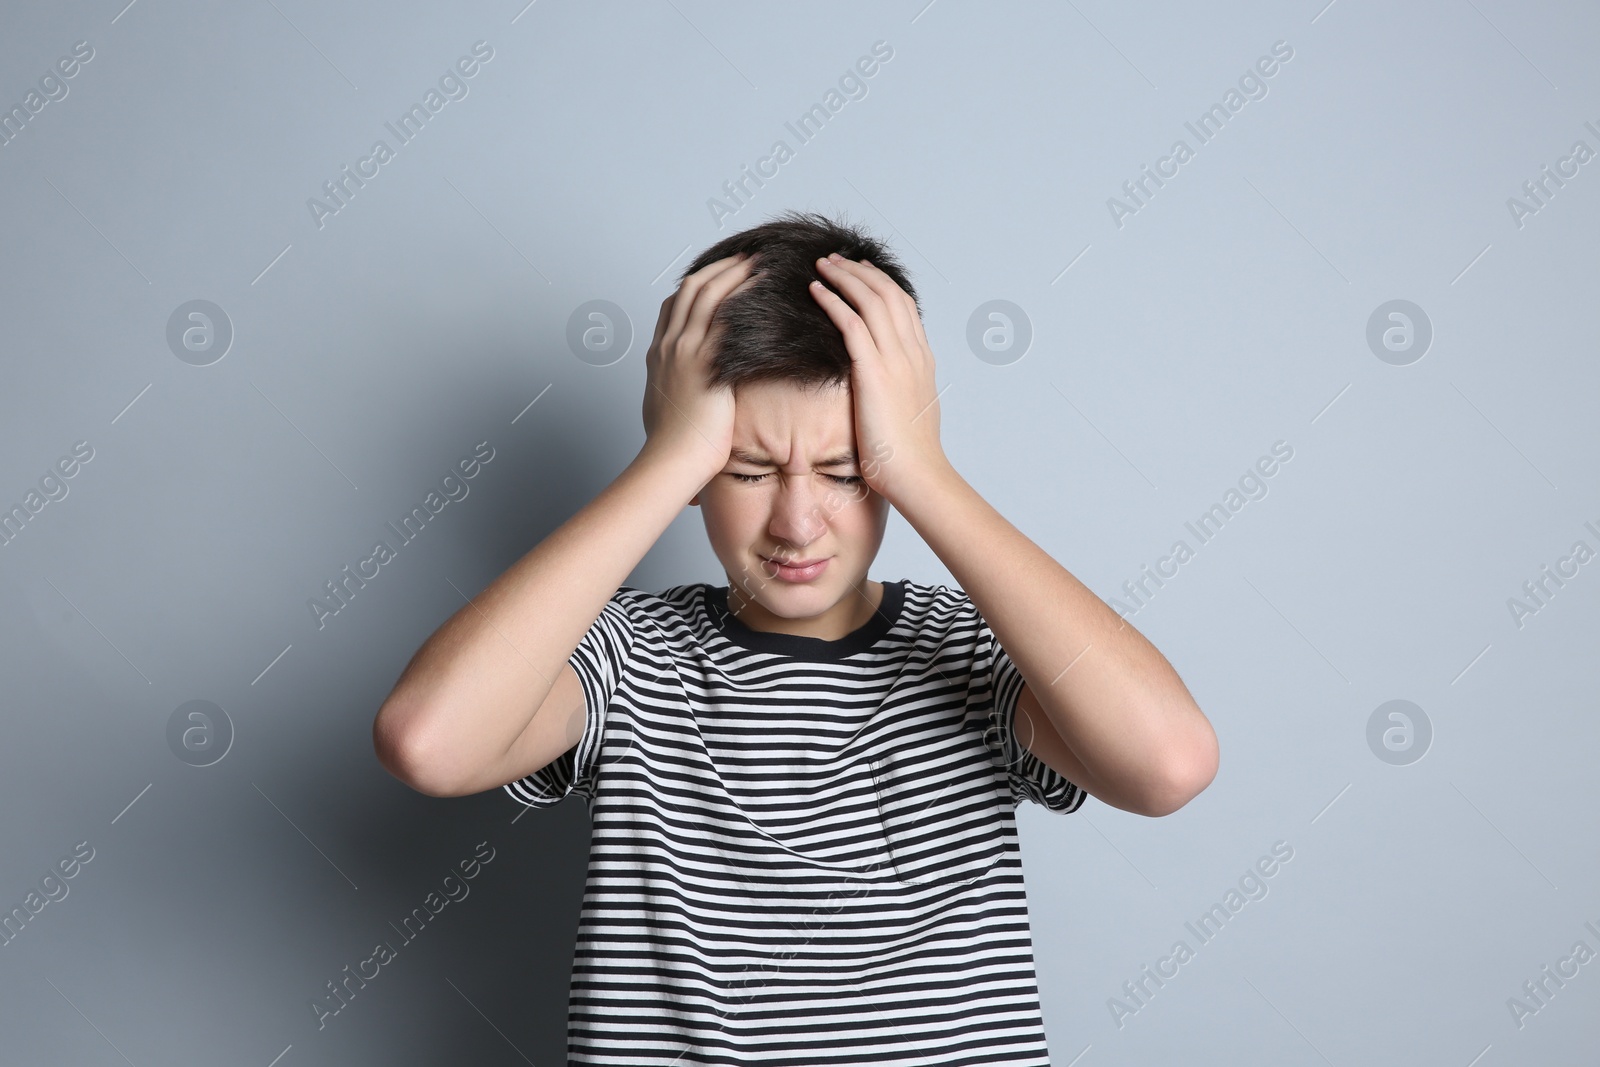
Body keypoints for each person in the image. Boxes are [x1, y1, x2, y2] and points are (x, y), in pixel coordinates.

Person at [372, 210, 1218, 1064]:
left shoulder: (974, 654)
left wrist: (924, 470)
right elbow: (429, 741)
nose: (797, 522)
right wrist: (665, 460)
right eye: (747, 470)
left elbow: (1168, 764)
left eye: (848, 472)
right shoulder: (628, 656)